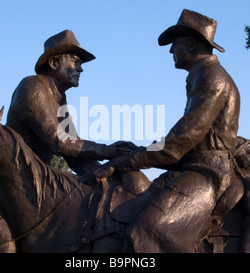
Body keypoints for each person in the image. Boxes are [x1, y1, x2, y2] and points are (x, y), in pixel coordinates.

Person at [93, 9, 241, 252]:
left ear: (192, 43)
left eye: (175, 44)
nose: (171, 50)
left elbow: (177, 145)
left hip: (208, 172)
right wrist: (136, 152)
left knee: (148, 230)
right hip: (195, 166)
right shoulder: (202, 76)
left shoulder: (212, 78)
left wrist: (122, 162)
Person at [6, 30, 138, 177]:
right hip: (16, 176)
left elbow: (73, 150)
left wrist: (103, 173)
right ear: (54, 63)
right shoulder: (32, 87)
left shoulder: (59, 97)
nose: (81, 69)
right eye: (75, 61)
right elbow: (61, 142)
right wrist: (109, 151)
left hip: (35, 176)